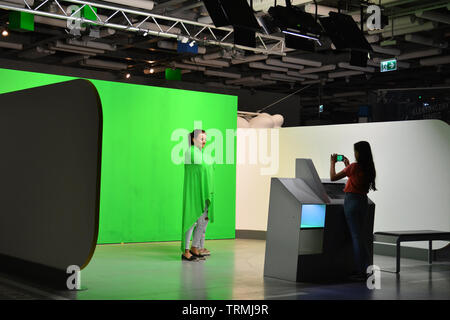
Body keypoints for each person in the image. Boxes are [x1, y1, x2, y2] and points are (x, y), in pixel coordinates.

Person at [330, 141, 377, 281]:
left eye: (355, 150)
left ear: (359, 153)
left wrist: (332, 162)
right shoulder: (369, 167)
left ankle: (361, 272)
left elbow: (333, 177)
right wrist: (347, 165)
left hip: (351, 202)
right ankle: (368, 268)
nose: (354, 153)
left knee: (356, 238)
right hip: (362, 202)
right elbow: (356, 179)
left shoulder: (354, 167)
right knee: (360, 237)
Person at [181, 129, 215, 261]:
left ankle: (195, 247)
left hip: (204, 191)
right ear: (193, 139)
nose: (204, 141)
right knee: (191, 221)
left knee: (203, 222)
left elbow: (209, 165)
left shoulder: (201, 154)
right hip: (194, 192)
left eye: (205, 138)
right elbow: (205, 165)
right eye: (201, 138)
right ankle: (186, 251)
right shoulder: (190, 152)